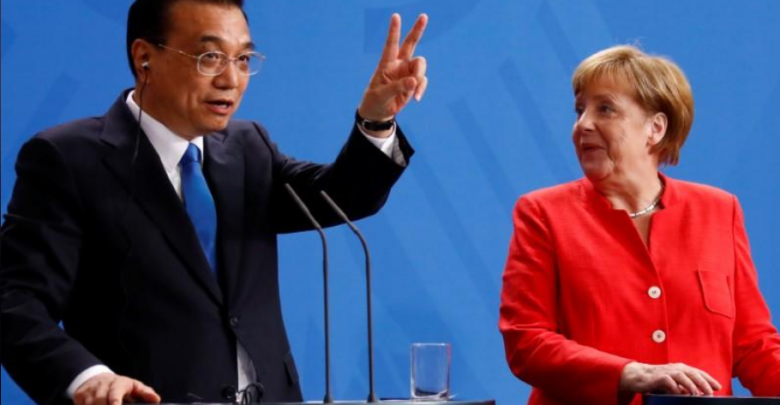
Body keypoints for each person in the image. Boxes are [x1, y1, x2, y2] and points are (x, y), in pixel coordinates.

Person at [0, 0, 429, 404]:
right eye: (210, 57)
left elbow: (342, 197)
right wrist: (88, 378)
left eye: (243, 59)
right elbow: (15, 303)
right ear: (144, 57)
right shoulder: (69, 159)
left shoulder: (248, 147)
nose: (231, 79)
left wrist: (376, 119)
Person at [499, 45, 780, 405]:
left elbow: (754, 345)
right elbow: (527, 341)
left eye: (605, 109)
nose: (583, 124)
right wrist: (630, 374)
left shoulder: (719, 210)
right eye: (580, 110)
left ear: (655, 128)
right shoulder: (543, 213)